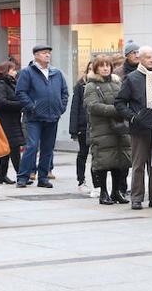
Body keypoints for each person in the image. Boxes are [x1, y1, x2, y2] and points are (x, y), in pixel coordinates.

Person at [15, 43, 69, 189]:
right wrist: (32, 107)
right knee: (32, 146)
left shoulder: (56, 73)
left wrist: (61, 108)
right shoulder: (27, 72)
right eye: (44, 53)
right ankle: (23, 177)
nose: (47, 55)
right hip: (34, 117)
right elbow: (20, 92)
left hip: (52, 116)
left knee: (48, 148)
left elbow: (64, 92)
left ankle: (43, 177)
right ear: (36, 55)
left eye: (48, 53)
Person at [115, 46, 152, 210]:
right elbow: (119, 103)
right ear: (140, 59)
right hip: (139, 127)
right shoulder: (132, 78)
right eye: (148, 57)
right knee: (138, 164)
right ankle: (136, 197)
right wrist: (133, 117)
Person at [82, 55, 130, 205]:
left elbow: (125, 100)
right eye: (102, 66)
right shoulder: (91, 86)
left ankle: (116, 191)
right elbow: (93, 106)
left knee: (119, 161)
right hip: (101, 129)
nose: (105, 68)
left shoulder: (117, 83)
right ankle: (103, 192)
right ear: (96, 68)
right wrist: (116, 110)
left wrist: (124, 110)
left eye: (108, 65)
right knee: (102, 162)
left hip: (119, 129)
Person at [0, 62, 26, 186]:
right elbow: (0, 102)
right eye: (13, 70)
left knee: (7, 150)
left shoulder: (10, 84)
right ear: (6, 71)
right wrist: (19, 105)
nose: (15, 72)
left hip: (11, 121)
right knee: (14, 149)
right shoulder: (1, 85)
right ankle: (21, 175)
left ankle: (2, 176)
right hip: (5, 122)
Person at [68, 60, 93, 193]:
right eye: (89, 69)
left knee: (97, 156)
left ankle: (97, 183)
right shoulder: (81, 85)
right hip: (83, 126)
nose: (91, 72)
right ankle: (81, 180)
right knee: (83, 153)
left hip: (97, 125)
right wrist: (73, 129)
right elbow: (75, 107)